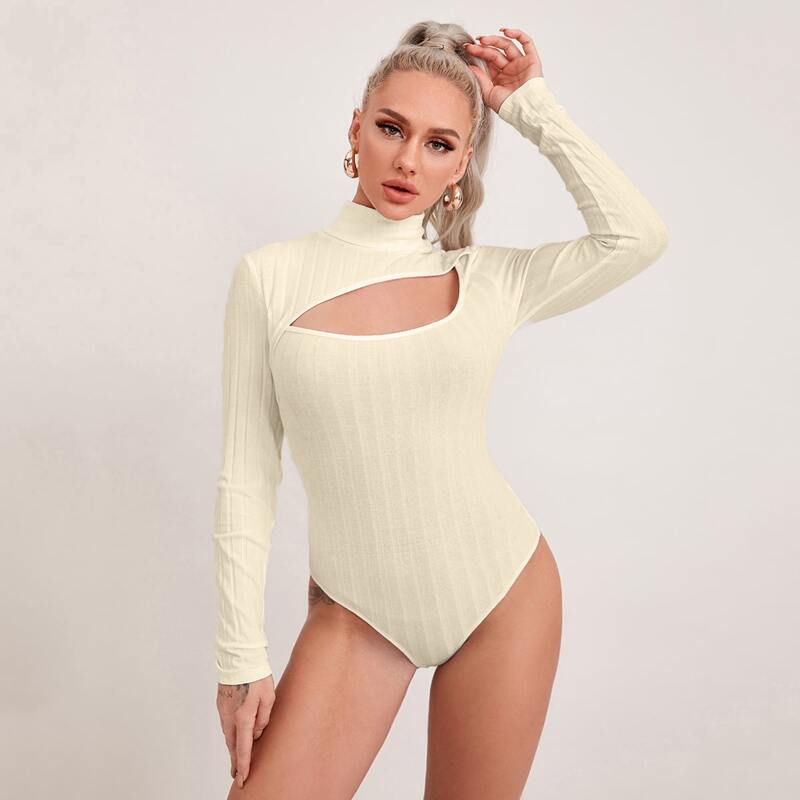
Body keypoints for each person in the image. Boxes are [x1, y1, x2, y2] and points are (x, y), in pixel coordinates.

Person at [213, 19, 668, 799]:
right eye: (391, 129)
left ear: (462, 163)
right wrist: (239, 657)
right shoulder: (271, 277)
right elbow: (247, 476)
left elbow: (637, 236)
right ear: (356, 129)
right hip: (357, 616)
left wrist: (529, 107)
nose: (407, 160)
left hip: (503, 596)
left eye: (439, 143)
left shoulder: (489, 281)